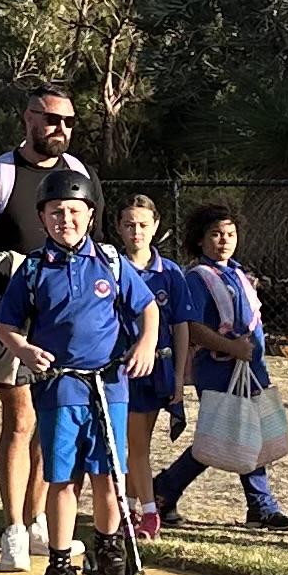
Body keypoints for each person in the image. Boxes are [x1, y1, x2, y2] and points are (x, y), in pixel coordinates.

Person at [0, 170, 154, 575]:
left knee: (109, 475)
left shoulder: (111, 262)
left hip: (110, 383)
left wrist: (144, 344)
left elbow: (148, 308)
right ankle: (60, 566)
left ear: (90, 215)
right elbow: (4, 324)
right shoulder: (32, 270)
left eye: (74, 211)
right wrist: (23, 349)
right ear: (43, 218)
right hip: (61, 386)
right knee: (63, 479)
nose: (66, 219)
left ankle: (107, 549)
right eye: (56, 212)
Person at [0, 87, 95, 572]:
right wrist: (8, 303)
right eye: (50, 119)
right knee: (21, 422)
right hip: (11, 319)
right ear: (27, 119)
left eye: (67, 121)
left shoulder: (80, 176)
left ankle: (40, 518)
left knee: (51, 425)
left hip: (64, 323)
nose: (59, 129)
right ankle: (13, 531)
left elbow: (95, 246)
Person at [151, 204, 288, 535]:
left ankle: (171, 490)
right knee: (222, 435)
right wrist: (231, 348)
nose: (224, 241)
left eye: (230, 234)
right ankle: (169, 489)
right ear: (200, 240)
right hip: (219, 369)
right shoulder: (198, 278)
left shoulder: (237, 272)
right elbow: (192, 326)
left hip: (250, 367)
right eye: (216, 234)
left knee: (243, 434)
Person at [107, 190, 188, 530]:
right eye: (128, 224)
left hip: (155, 369)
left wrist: (180, 379)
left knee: (136, 443)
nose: (136, 231)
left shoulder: (170, 273)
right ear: (118, 228)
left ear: (156, 226)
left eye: (142, 224)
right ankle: (136, 510)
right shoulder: (109, 268)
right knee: (124, 443)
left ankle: (142, 511)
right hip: (116, 369)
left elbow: (182, 328)